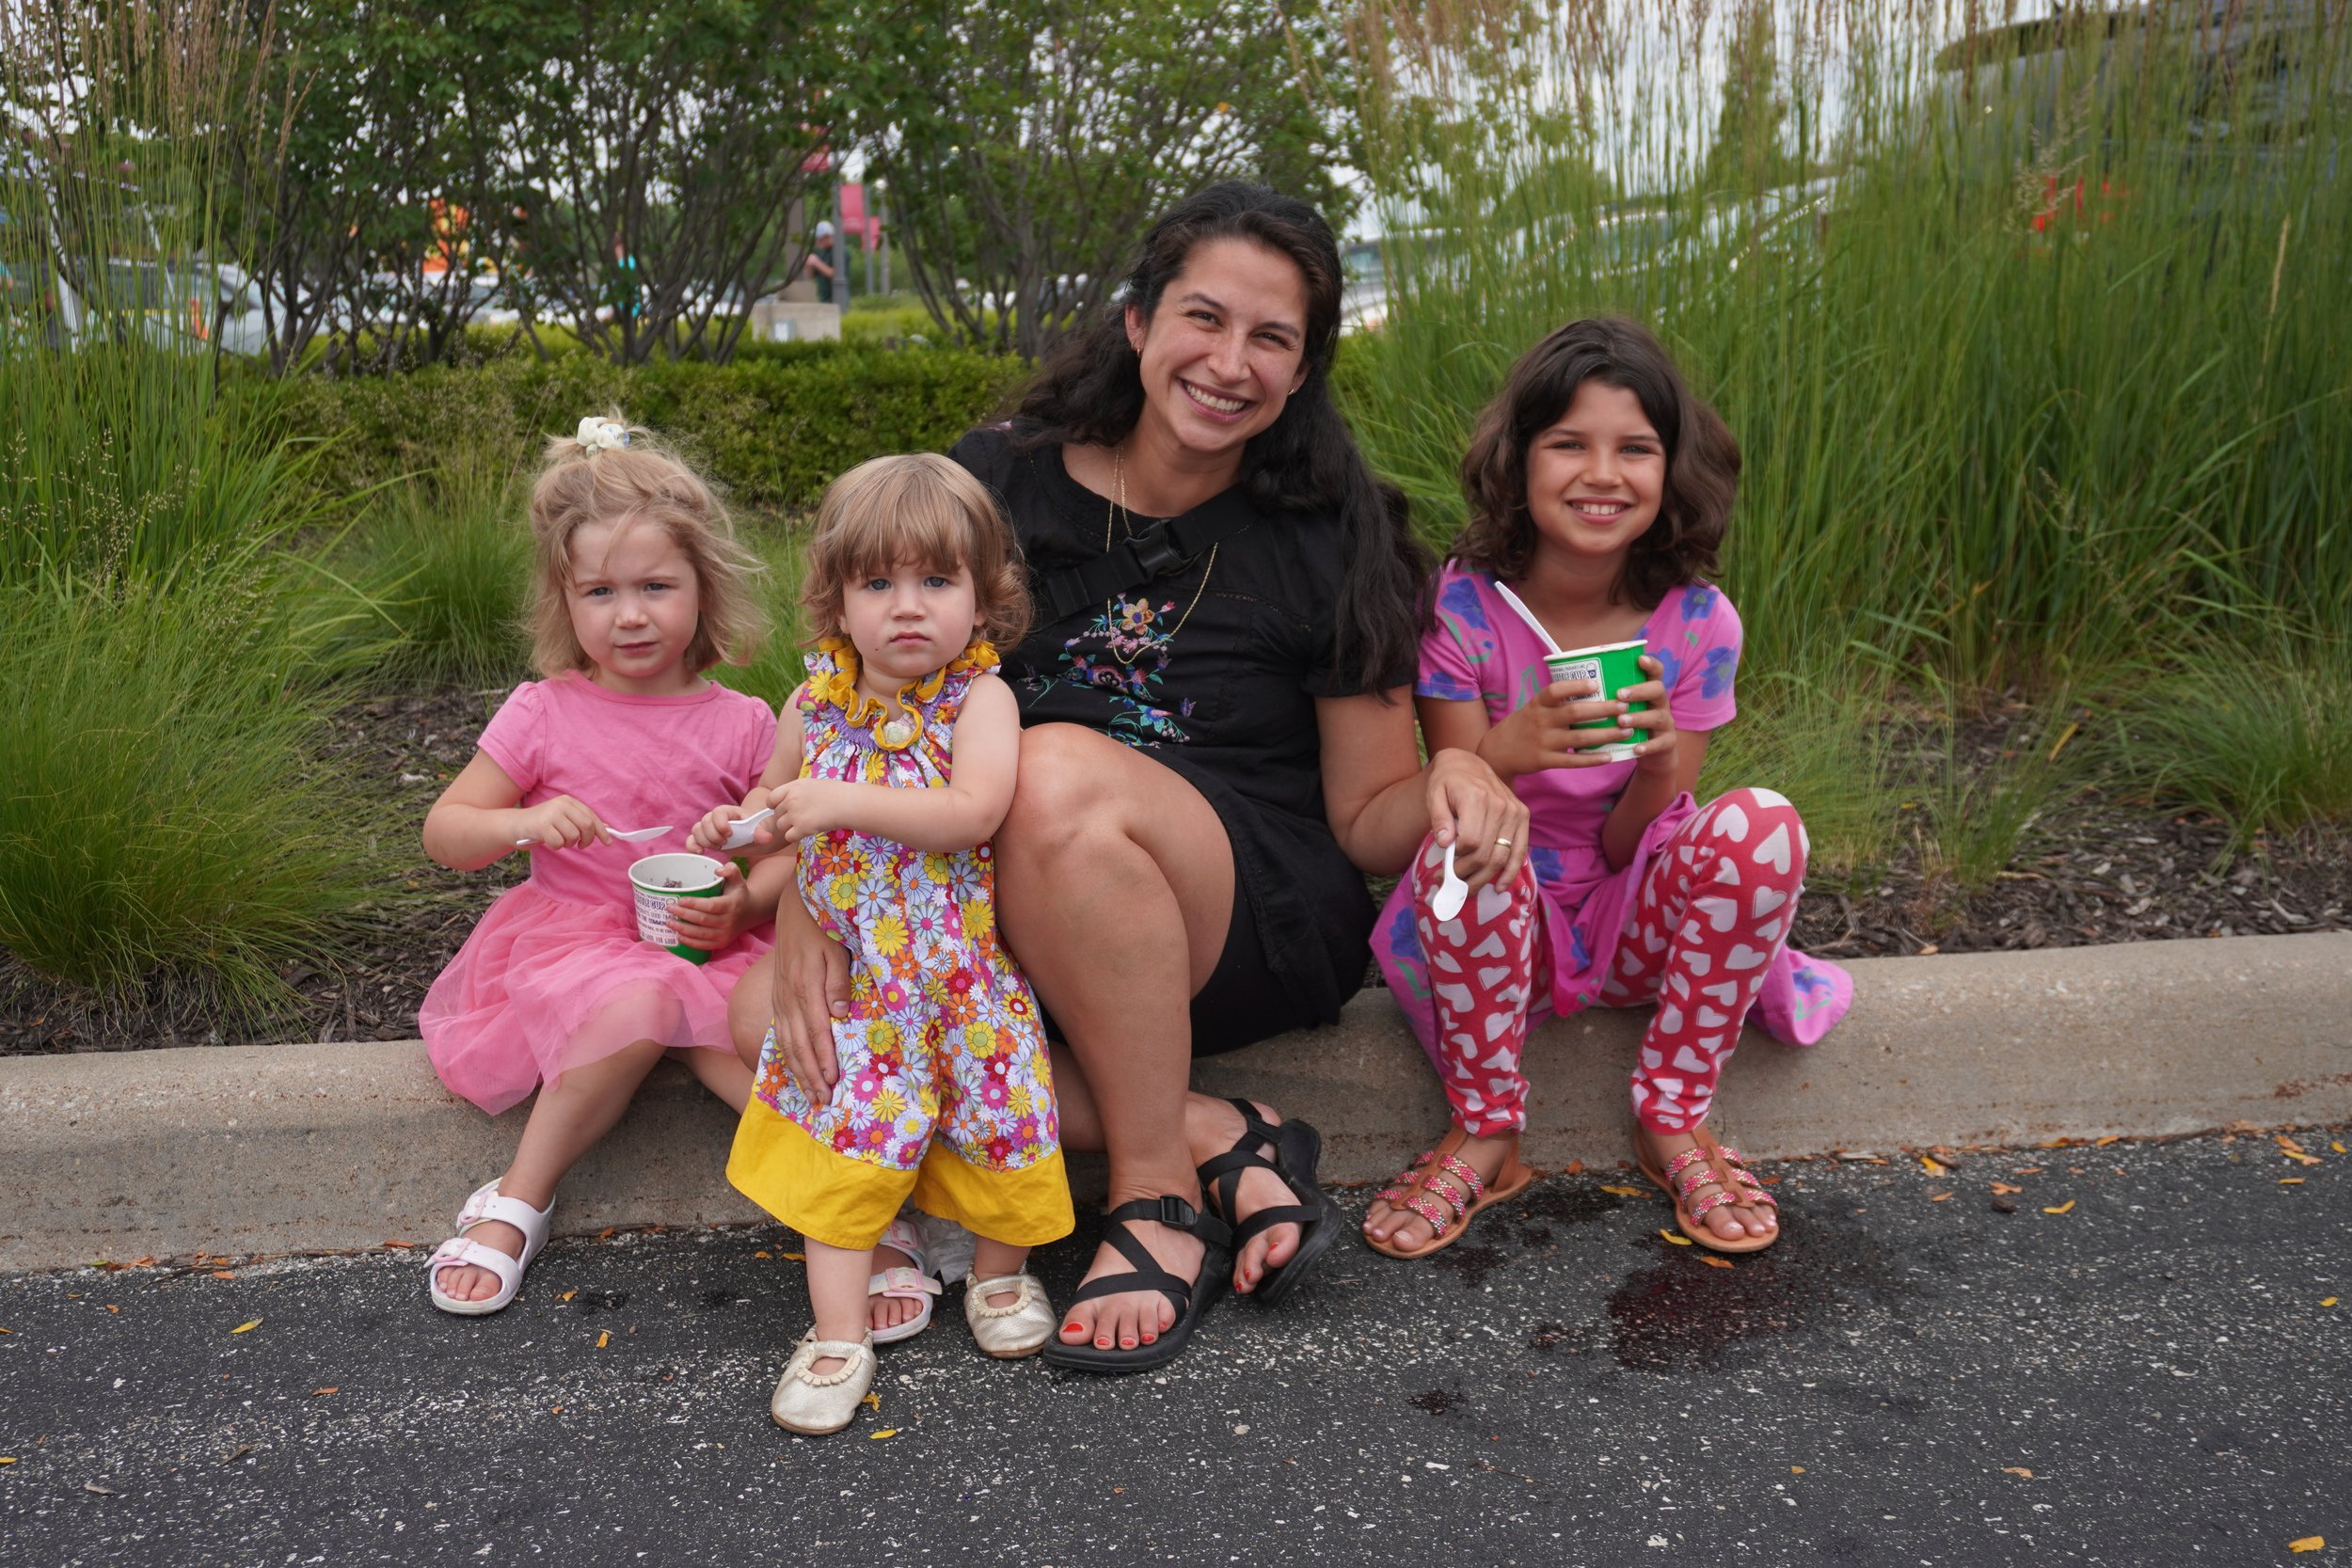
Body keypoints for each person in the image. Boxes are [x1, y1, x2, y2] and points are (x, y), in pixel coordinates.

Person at [733, 182, 1530, 1372]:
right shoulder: (1005, 479)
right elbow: (861, 703)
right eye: (1203, 318)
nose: (1229, 361)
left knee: (1051, 774)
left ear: (1305, 369)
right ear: (1138, 322)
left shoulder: (1333, 532)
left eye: (1272, 338)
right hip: (986, 897)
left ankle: (1152, 1192)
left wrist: (1464, 765)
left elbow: (1369, 823)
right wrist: (803, 899)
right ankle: (1219, 1129)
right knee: (769, 1020)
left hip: (1236, 902)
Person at [1359, 318, 1854, 1260]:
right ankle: (1486, 1127)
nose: (1602, 472)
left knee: (1763, 825)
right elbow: (1455, 791)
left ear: (1672, 470)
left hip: (1630, 919)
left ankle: (1672, 1116)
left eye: (1635, 448)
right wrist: (1509, 745)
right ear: (1518, 460)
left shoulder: (1697, 623)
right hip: (1501, 938)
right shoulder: (1462, 604)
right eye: (1568, 444)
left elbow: (1637, 849)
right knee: (1469, 839)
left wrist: (1660, 769)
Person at [694, 454, 1070, 1433]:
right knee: (843, 1146)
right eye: (878, 583)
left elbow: (973, 809)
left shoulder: (974, 700)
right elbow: (778, 808)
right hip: (860, 990)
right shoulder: (814, 703)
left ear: (982, 600)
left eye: (937, 581)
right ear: (835, 596)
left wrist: (837, 799)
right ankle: (835, 1330)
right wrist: (736, 829)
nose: (908, 608)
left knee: (999, 1122)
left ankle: (997, 1277)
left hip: (959, 981)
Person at [418, 415, 786, 1315]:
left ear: (705, 587)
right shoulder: (545, 710)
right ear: (563, 599)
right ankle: (520, 1195)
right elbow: (446, 829)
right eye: (599, 592)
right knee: (644, 1001)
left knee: (770, 1052)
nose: (629, 614)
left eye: (657, 586)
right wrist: (527, 821)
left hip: (713, 935)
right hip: (578, 940)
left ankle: (853, 1209)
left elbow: (792, 850)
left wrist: (742, 882)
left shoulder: (746, 721)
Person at [803, 220, 838, 305]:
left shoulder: (838, 252)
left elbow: (835, 274)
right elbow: (812, 276)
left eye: (819, 239)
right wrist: (808, 265)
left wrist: (816, 262)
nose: (817, 242)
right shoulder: (821, 253)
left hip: (835, 299)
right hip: (823, 299)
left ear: (827, 237)